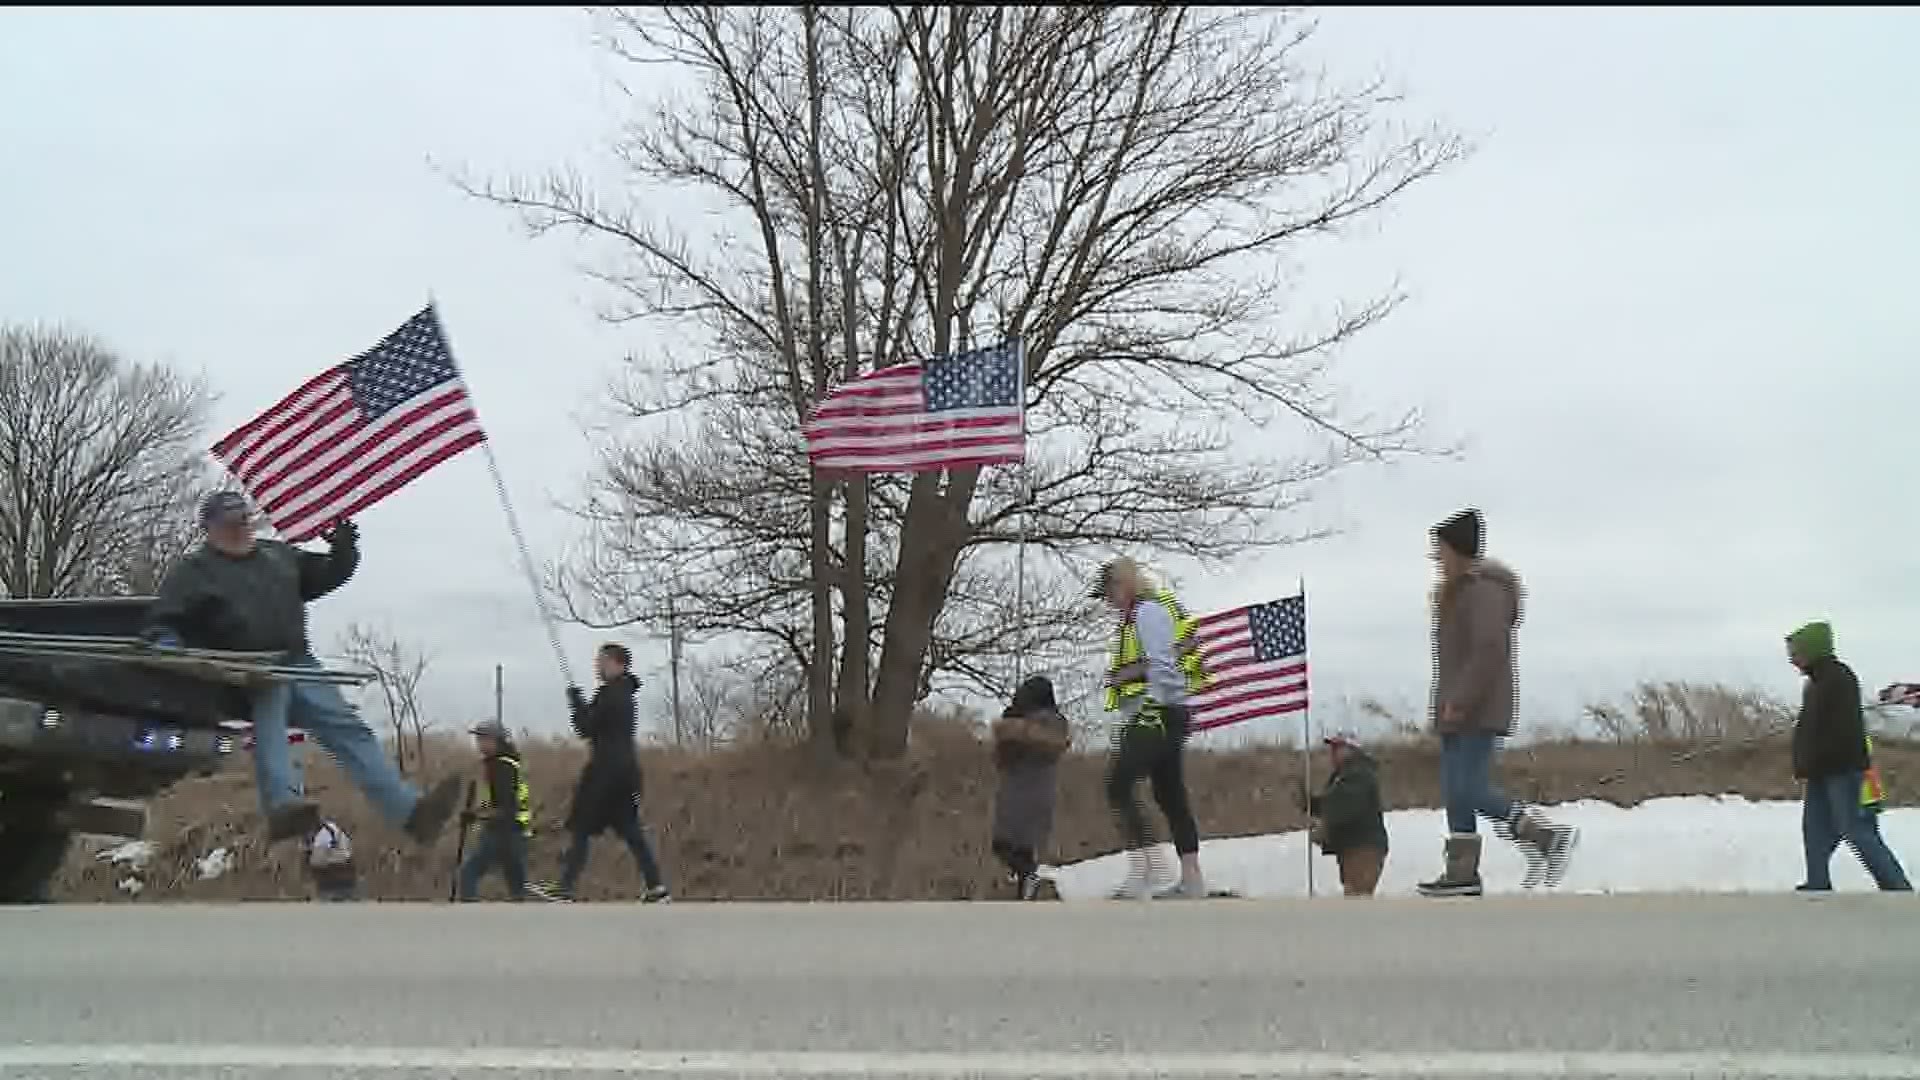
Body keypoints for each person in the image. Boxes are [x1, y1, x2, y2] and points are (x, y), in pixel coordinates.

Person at [142, 491, 461, 845]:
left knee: (348, 728)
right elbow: (163, 619)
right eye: (229, 524)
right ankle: (283, 806)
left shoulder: (278, 555)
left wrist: (343, 551)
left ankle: (412, 815)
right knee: (272, 719)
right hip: (248, 668)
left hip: (298, 659)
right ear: (209, 529)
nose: (239, 529)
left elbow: (323, 575)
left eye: (243, 520)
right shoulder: (194, 571)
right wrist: (166, 643)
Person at [1417, 508, 1576, 898]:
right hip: (1457, 707)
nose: (1437, 560)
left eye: (1441, 552)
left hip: (1477, 708)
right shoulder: (1459, 593)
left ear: (1458, 551)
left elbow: (1489, 650)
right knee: (1456, 791)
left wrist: (1461, 700)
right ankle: (1461, 874)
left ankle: (1545, 837)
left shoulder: (1485, 591)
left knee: (1470, 788)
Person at [1094, 556, 1211, 899]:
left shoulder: (1148, 612)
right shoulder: (1135, 620)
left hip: (1157, 711)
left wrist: (1150, 706)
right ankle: (1192, 878)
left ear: (1125, 584)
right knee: (1169, 793)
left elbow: (1163, 664)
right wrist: (1128, 675)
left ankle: (1148, 868)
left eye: (1110, 592)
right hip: (1165, 710)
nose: (1109, 601)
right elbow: (1164, 657)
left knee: (1118, 783)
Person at [1787, 621, 1911, 892]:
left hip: (1842, 769)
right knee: (1815, 829)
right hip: (1821, 769)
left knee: (1856, 830)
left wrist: (1816, 758)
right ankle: (1818, 883)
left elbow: (1841, 732)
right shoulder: (1818, 682)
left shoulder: (1838, 679)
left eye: (1796, 653)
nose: (1792, 660)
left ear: (1813, 650)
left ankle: (1897, 889)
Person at [550, 644, 669, 903]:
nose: (597, 666)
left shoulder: (610, 694)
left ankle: (565, 888)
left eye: (602, 661)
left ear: (618, 664)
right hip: (626, 772)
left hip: (605, 771)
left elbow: (586, 728)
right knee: (630, 830)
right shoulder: (625, 694)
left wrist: (576, 703)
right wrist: (583, 706)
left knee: (581, 827)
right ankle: (656, 887)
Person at [990, 675, 1071, 901]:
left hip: (1036, 789)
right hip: (1012, 788)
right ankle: (1027, 883)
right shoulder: (1015, 720)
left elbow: (1055, 743)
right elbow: (1000, 759)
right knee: (1005, 843)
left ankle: (1029, 879)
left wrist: (1019, 729)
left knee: (1017, 843)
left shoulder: (1053, 721)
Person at [1303, 733, 1389, 897]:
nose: (1332, 753)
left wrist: (1324, 828)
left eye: (1338, 748)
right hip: (1353, 849)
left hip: (1364, 849)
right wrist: (1309, 803)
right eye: (1333, 748)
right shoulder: (1345, 775)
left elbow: (1346, 809)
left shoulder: (1358, 774)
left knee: (1357, 899)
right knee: (1353, 897)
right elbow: (1333, 803)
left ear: (1352, 750)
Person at [457, 719, 533, 901]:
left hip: (502, 830)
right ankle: (521, 913)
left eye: (483, 739)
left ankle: (468, 912)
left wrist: (476, 815)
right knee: (515, 879)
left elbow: (506, 804)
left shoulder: (502, 766)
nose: (479, 744)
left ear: (496, 740)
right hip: (515, 830)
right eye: (478, 739)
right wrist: (475, 812)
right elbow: (494, 799)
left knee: (470, 871)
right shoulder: (506, 763)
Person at [303, 819, 358, 902]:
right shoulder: (331, 829)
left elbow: (318, 858)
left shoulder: (323, 834)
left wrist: (308, 857)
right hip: (343, 872)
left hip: (332, 874)